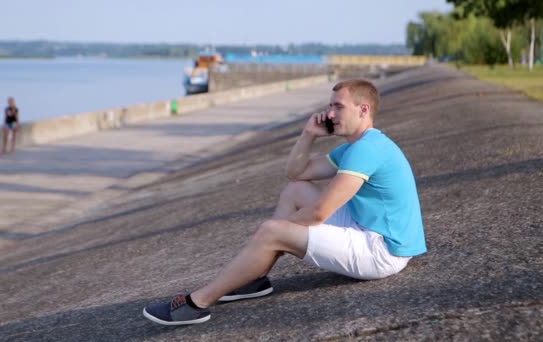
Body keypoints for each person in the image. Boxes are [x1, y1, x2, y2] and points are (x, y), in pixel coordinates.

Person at [142, 79, 428, 326]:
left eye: (338, 107)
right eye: (330, 106)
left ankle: (197, 303)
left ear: (363, 110)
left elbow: (318, 213)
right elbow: (296, 173)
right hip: (368, 228)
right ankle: (254, 278)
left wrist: (273, 231)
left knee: (272, 232)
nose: (330, 113)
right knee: (295, 191)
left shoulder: (367, 150)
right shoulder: (355, 147)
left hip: (383, 251)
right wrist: (308, 135)